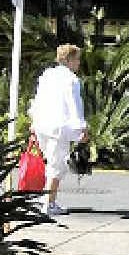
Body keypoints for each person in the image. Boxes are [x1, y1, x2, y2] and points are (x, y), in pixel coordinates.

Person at [29, 44, 89, 216]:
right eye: (77, 59)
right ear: (69, 60)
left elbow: (37, 98)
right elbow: (74, 106)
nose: (78, 63)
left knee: (51, 162)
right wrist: (82, 128)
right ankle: (48, 202)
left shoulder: (47, 75)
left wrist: (33, 119)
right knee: (58, 166)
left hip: (42, 124)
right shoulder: (71, 80)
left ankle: (47, 198)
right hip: (59, 127)